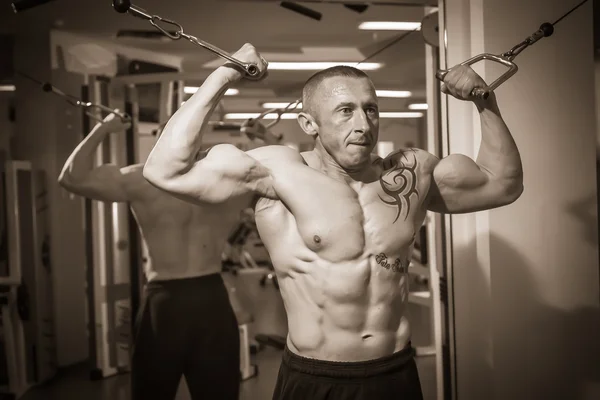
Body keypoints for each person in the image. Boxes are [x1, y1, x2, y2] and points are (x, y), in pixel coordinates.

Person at [142, 43, 524, 400]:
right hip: (314, 377)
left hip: (395, 372)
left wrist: (484, 101)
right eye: (346, 111)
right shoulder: (276, 171)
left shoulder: (411, 172)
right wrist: (224, 74)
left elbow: (502, 185)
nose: (363, 124)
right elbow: (165, 170)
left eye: (370, 109)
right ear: (309, 124)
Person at [57, 111, 280, 400]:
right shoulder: (227, 183)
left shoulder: (142, 179)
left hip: (167, 302)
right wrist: (264, 136)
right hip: (207, 299)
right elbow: (286, 175)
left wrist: (104, 128)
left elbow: (71, 177)